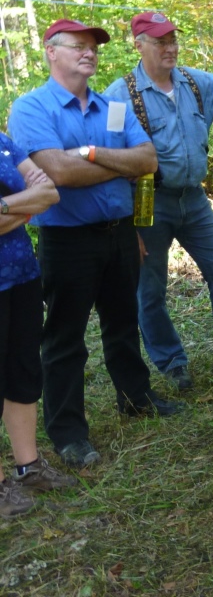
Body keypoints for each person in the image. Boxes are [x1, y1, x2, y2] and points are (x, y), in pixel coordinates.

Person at [8, 19, 182, 469]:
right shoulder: (31, 108)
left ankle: (135, 398)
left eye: (93, 47)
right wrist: (115, 165)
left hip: (121, 234)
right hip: (67, 240)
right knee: (65, 338)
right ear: (51, 51)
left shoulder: (112, 108)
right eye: (78, 46)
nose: (89, 53)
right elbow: (57, 175)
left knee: (124, 323)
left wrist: (87, 154)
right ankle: (67, 432)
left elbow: (146, 161)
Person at [104, 11, 213, 390]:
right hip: (148, 200)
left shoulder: (193, 82)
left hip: (195, 199)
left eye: (173, 40)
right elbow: (111, 159)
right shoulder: (119, 97)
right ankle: (172, 362)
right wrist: (124, 224)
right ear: (138, 45)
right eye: (160, 42)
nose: (170, 48)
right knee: (150, 288)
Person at [0, 133, 78, 516]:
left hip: (22, 277)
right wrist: (21, 208)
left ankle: (28, 467)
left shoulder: (3, 142)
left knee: (24, 373)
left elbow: (49, 195)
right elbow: (33, 199)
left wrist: (2, 206)